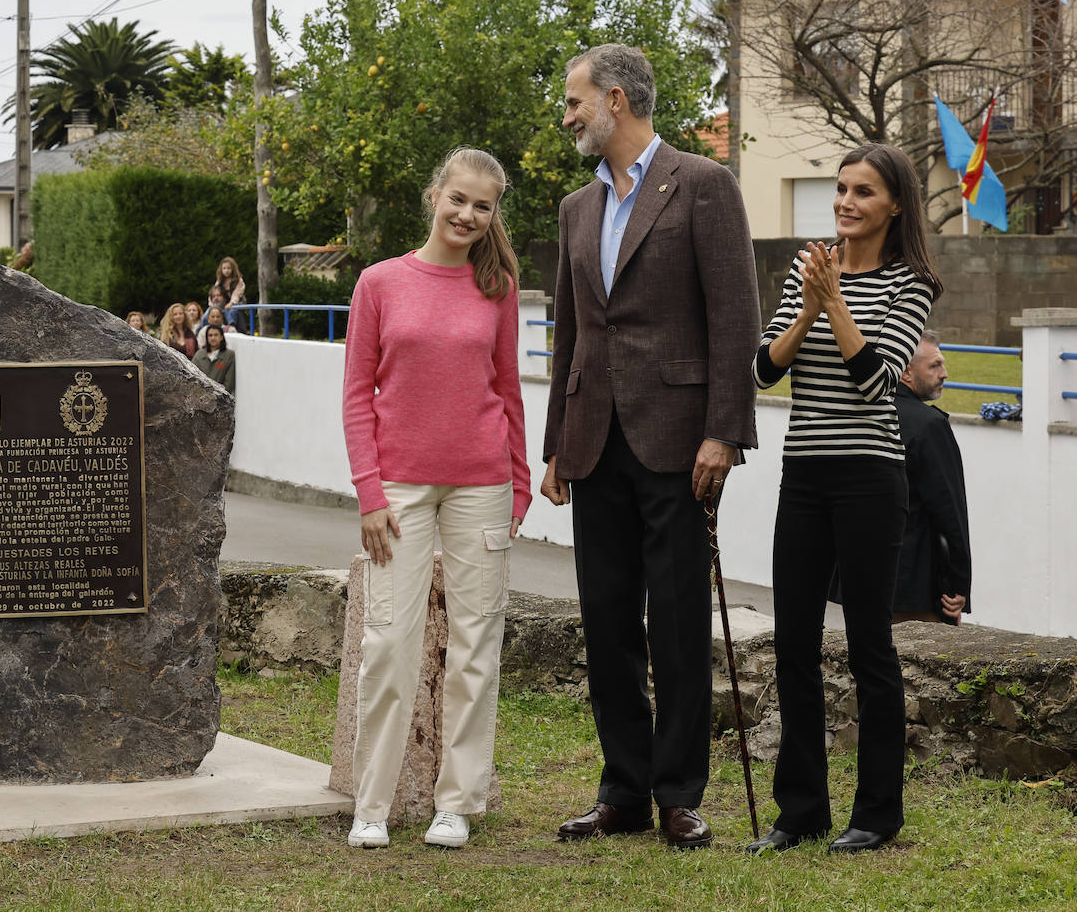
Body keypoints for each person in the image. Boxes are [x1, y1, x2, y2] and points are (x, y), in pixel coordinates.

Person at [541, 44, 760, 850]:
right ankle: (623, 791)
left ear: (618, 100)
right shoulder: (574, 208)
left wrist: (723, 433)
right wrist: (557, 443)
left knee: (675, 622)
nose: (567, 116)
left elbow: (736, 316)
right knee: (606, 622)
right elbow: (570, 332)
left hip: (680, 441)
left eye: (574, 102)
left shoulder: (705, 185)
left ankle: (678, 793)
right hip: (594, 439)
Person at [747, 142, 938, 855]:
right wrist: (809, 305)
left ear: (894, 205)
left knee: (869, 645)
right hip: (805, 473)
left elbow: (874, 379)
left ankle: (877, 811)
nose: (845, 202)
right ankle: (801, 811)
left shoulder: (910, 283)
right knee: (793, 641)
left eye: (863, 192)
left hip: (869, 476)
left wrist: (833, 303)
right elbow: (764, 368)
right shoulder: (810, 271)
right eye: (840, 188)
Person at [342, 146, 530, 851]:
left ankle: (456, 802)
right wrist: (369, 491)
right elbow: (359, 393)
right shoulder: (379, 283)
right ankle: (373, 804)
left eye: (483, 206)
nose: (468, 215)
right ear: (435, 194)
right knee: (389, 643)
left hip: (481, 487)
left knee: (475, 646)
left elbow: (508, 389)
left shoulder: (500, 286)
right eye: (459, 199)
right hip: (399, 489)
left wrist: (516, 485)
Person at [892, 330, 971, 624]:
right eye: (935, 365)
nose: (945, 374)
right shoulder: (929, 425)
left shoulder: (864, 414)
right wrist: (958, 586)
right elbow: (949, 512)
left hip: (862, 580)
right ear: (905, 372)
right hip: (917, 585)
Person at [192, 324, 235, 395]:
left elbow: (229, 383)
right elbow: (192, 377)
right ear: (207, 338)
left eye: (216, 335)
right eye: (210, 335)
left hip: (220, 399)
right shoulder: (199, 355)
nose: (213, 338)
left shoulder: (229, 355)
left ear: (221, 337)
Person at [214, 257, 248, 333]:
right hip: (225, 302)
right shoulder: (220, 281)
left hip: (237, 302)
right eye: (224, 268)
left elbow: (236, 294)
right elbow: (214, 292)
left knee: (231, 311)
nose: (226, 270)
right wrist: (212, 304)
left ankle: (231, 327)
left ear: (233, 269)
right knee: (211, 312)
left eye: (229, 268)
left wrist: (231, 303)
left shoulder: (238, 280)